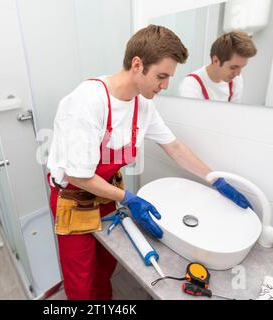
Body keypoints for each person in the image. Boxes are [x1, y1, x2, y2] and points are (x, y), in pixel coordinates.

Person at [46, 25, 252, 300]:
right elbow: (79, 176)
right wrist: (129, 198)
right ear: (137, 64)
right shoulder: (88, 101)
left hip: (107, 193)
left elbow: (174, 147)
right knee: (81, 280)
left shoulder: (143, 104)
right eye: (162, 76)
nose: (166, 85)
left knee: (107, 265)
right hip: (73, 197)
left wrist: (215, 179)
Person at [178, 30, 257, 103]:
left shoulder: (236, 80)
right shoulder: (190, 86)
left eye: (241, 67)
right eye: (233, 67)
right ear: (215, 60)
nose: (238, 74)